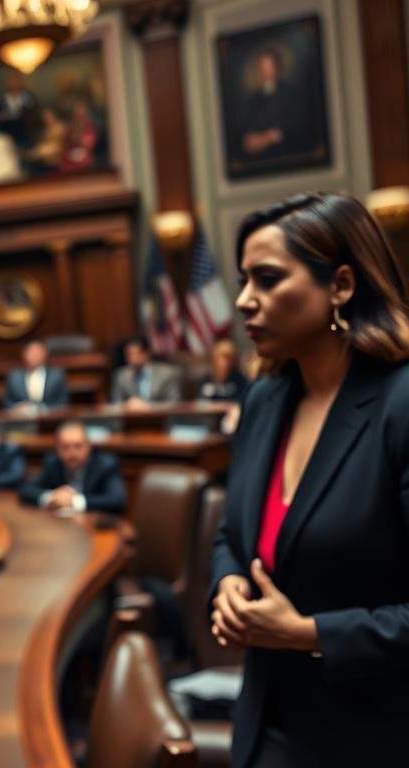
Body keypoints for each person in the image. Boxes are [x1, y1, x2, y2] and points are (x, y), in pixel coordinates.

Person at [210, 192, 409, 767]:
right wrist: (225, 587)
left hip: (375, 737)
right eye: (243, 280)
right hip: (265, 723)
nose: (245, 301)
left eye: (267, 279)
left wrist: (310, 633)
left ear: (341, 286)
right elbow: (230, 534)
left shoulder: (400, 405)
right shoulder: (265, 399)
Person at [19, 419, 125, 515]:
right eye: (65, 447)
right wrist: (52, 497)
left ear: (88, 446)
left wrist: (74, 501)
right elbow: (26, 490)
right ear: (57, 448)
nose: (72, 453)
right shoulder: (52, 463)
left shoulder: (105, 465)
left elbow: (117, 500)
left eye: (78, 446)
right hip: (61, 528)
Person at [233, 48, 316, 165]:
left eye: (268, 66)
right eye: (262, 67)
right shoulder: (252, 99)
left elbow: (299, 126)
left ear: (277, 67)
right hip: (258, 161)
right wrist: (250, 140)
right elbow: (245, 129)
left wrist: (268, 138)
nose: (265, 70)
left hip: (287, 155)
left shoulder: (291, 93)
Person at [110, 336, 182, 406]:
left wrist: (148, 407)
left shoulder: (167, 374)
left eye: (136, 354)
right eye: (129, 355)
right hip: (131, 416)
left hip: (160, 417)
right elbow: (116, 405)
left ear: (146, 354)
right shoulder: (121, 376)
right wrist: (128, 405)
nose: (133, 359)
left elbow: (174, 404)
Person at [3, 339, 69, 410]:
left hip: (51, 418)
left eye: (37, 352)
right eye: (31, 352)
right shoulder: (14, 377)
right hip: (20, 418)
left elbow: (63, 401)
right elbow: (7, 402)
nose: (34, 355)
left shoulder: (56, 375)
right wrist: (18, 408)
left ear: (45, 353)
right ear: (23, 354)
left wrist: (43, 409)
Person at [199, 338, 249, 402]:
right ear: (214, 358)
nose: (225, 362)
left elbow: (243, 401)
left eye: (229, 358)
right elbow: (200, 400)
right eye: (222, 357)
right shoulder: (206, 379)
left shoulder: (239, 380)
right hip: (209, 412)